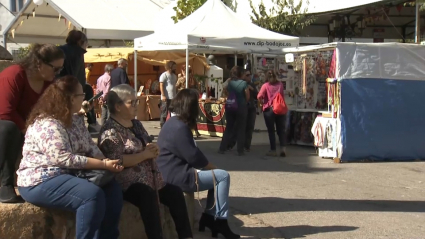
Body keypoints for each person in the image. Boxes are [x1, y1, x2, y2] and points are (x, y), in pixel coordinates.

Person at [17, 76, 124, 239]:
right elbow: (63, 158)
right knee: (91, 195)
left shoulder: (75, 119)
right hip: (40, 179)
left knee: (112, 189)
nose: (84, 99)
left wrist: (108, 162)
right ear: (70, 99)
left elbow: (90, 146)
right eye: (81, 95)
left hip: (70, 174)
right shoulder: (48, 124)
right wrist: (102, 164)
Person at [98, 84, 193, 239]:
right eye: (132, 102)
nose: (137, 105)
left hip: (152, 177)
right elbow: (116, 161)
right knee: (147, 196)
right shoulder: (110, 131)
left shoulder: (136, 124)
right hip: (128, 183)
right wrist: (144, 155)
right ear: (118, 106)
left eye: (136, 101)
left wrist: (153, 148)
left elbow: (146, 143)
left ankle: (186, 236)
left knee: (174, 192)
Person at [157, 89, 240, 239]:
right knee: (222, 176)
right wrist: (212, 167)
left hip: (171, 172)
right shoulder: (179, 127)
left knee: (215, 177)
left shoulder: (172, 123)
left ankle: (208, 217)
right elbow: (194, 157)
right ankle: (220, 220)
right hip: (177, 176)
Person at [0, 43, 65, 203]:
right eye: (55, 69)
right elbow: (5, 111)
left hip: (28, 126)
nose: (57, 74)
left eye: (60, 70)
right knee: (8, 128)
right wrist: (28, 130)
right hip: (10, 125)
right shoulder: (14, 74)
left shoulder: (48, 83)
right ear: (39, 64)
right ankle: (4, 184)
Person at [59, 30, 99, 132]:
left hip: (57, 86)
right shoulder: (77, 53)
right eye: (86, 43)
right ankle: (92, 122)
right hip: (69, 88)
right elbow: (77, 76)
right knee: (88, 90)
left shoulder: (61, 49)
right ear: (80, 42)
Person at [218, 66, 250, 156]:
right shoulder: (244, 83)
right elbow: (247, 96)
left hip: (230, 106)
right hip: (241, 107)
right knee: (241, 129)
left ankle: (222, 148)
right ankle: (240, 150)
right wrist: (244, 101)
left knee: (228, 128)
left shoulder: (230, 83)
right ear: (240, 74)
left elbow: (226, 92)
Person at [257, 70, 287, 157]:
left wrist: (261, 105)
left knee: (271, 131)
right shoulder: (280, 85)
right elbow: (282, 96)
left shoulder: (265, 86)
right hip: (280, 108)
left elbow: (259, 96)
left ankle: (273, 150)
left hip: (269, 109)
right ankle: (283, 148)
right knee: (281, 130)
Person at [227, 70, 258, 152]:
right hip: (241, 107)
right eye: (247, 75)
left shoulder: (252, 85)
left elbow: (257, 95)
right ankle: (231, 144)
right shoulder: (240, 84)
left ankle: (246, 145)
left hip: (251, 107)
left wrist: (252, 89)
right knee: (237, 126)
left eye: (250, 75)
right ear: (243, 75)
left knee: (250, 126)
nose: (249, 77)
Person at [159, 61, 177, 128]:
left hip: (173, 97)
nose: (175, 68)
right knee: (164, 113)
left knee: (173, 113)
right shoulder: (164, 75)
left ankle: (172, 126)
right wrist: (163, 95)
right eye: (174, 66)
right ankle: (162, 127)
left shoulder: (174, 76)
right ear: (170, 66)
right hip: (166, 97)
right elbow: (161, 85)